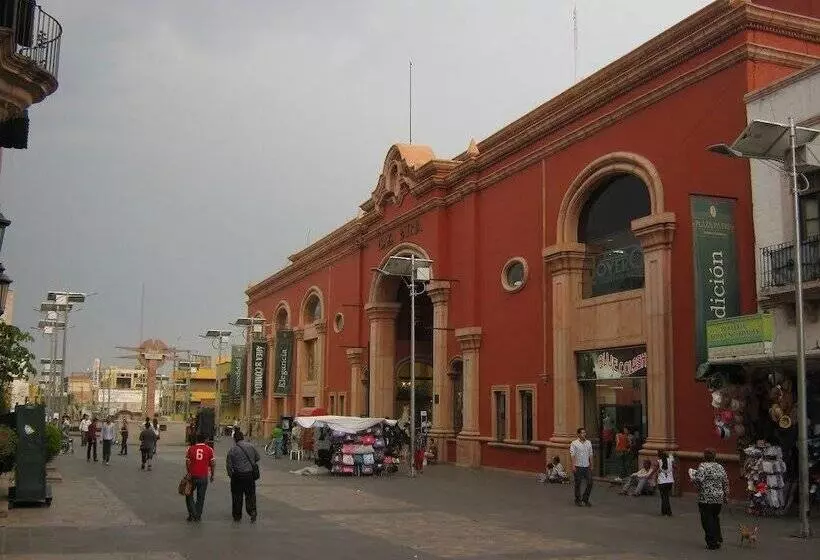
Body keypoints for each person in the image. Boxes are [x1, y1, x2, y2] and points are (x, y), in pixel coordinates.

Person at [690, 448, 729, 550]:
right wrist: (726, 495)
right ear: (715, 456)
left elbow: (699, 480)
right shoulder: (720, 467)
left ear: (704, 456)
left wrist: (692, 479)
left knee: (707, 520)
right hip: (718, 498)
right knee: (715, 518)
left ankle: (712, 542)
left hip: (705, 498)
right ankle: (717, 537)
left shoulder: (702, 467)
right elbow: (725, 481)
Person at [226, 429, 259, 523]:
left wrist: (231, 475)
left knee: (237, 496)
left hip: (237, 476)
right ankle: (252, 511)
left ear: (234, 439)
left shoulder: (232, 450)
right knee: (250, 495)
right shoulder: (251, 446)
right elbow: (257, 458)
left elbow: (229, 465)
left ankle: (237, 515)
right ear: (243, 437)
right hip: (249, 475)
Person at [185, 433, 215, 522]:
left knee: (188, 494)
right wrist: (212, 475)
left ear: (197, 440)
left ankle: (192, 513)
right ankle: (198, 515)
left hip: (192, 476)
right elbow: (213, 464)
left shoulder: (190, 449)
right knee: (201, 497)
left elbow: (187, 462)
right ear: (205, 440)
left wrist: (189, 472)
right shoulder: (209, 449)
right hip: (203, 476)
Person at [570, 427, 593, 506]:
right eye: (582, 433)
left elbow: (591, 454)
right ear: (578, 434)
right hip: (578, 466)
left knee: (590, 482)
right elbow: (572, 455)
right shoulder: (574, 443)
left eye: (585, 433)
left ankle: (585, 499)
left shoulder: (588, 443)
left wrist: (591, 464)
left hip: (586, 466)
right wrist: (573, 466)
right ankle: (577, 499)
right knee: (578, 483)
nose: (584, 434)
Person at [657, 450, 674, 516]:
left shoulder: (659, 462)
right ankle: (664, 511)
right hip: (670, 481)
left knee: (664, 497)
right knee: (666, 496)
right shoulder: (670, 460)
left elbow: (655, 470)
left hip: (662, 481)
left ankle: (667, 512)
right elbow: (675, 466)